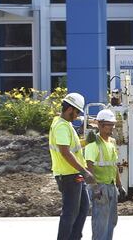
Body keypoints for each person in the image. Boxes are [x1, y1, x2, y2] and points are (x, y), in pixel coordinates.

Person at [49, 92, 95, 240]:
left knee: (82, 209)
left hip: (74, 174)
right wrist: (84, 171)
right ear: (70, 109)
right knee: (70, 212)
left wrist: (86, 142)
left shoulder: (65, 124)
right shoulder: (61, 127)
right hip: (68, 175)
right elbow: (65, 152)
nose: (77, 116)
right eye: (77, 112)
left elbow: (72, 147)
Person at [84, 109, 126, 240]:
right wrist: (95, 187)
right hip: (100, 187)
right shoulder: (93, 143)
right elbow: (89, 166)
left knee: (111, 221)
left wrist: (119, 186)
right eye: (109, 124)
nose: (112, 127)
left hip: (111, 186)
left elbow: (113, 165)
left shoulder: (111, 142)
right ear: (100, 125)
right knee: (101, 223)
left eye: (113, 124)